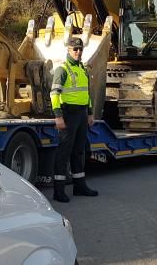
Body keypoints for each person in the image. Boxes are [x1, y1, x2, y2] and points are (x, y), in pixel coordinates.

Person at [50, 37, 99, 203]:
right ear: (68, 50)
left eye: (80, 49)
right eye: (75, 49)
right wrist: (58, 116)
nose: (78, 52)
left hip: (82, 114)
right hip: (68, 114)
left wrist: (90, 113)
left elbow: (86, 93)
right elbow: (54, 94)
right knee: (64, 152)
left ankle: (79, 186)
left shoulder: (83, 69)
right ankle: (58, 190)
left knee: (79, 151)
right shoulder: (62, 69)